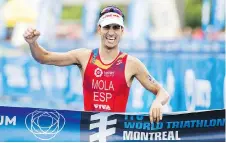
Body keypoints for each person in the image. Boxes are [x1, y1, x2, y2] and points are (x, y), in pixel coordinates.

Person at [23, 6, 169, 123]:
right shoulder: (84, 56)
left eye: (116, 27)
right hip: (88, 134)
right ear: (99, 29)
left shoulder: (131, 63)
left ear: (122, 31)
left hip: (116, 135)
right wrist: (33, 43)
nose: (111, 32)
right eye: (107, 27)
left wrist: (157, 103)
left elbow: (162, 92)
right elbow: (44, 57)